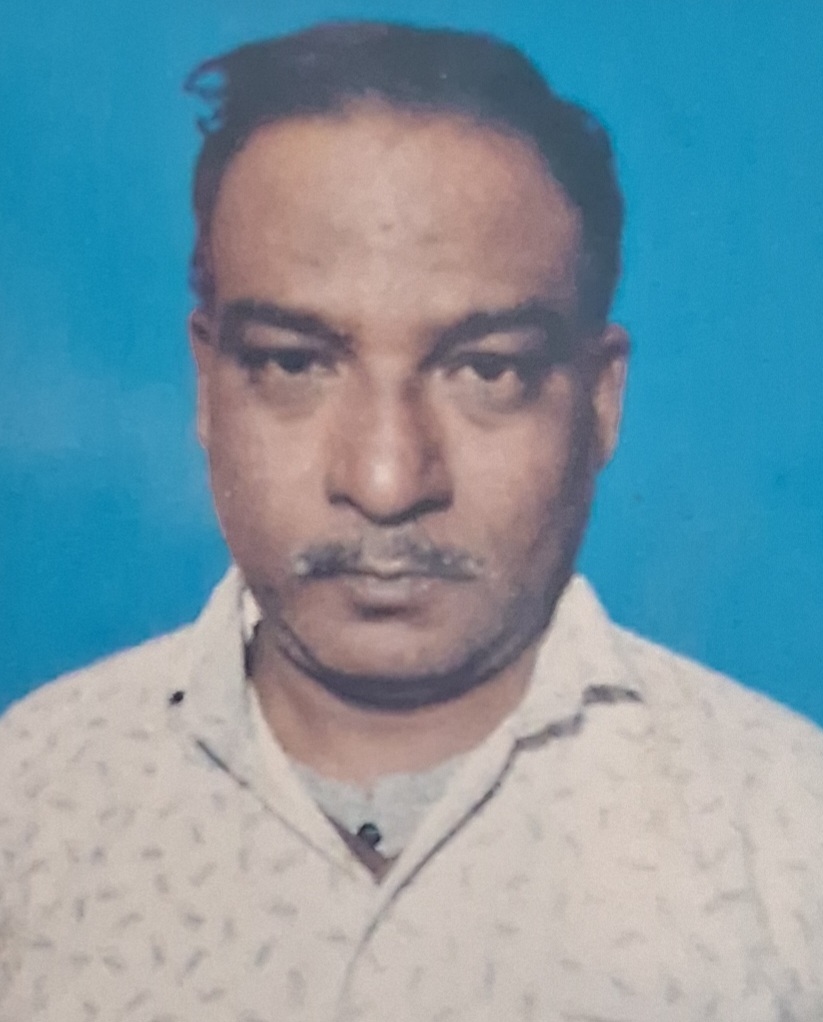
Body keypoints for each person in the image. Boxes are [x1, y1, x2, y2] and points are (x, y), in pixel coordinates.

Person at [1, 20, 821, 1022]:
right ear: (208, 386)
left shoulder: (793, 841)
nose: (386, 480)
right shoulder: (26, 805)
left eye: (487, 370)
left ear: (599, 402)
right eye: (295, 363)